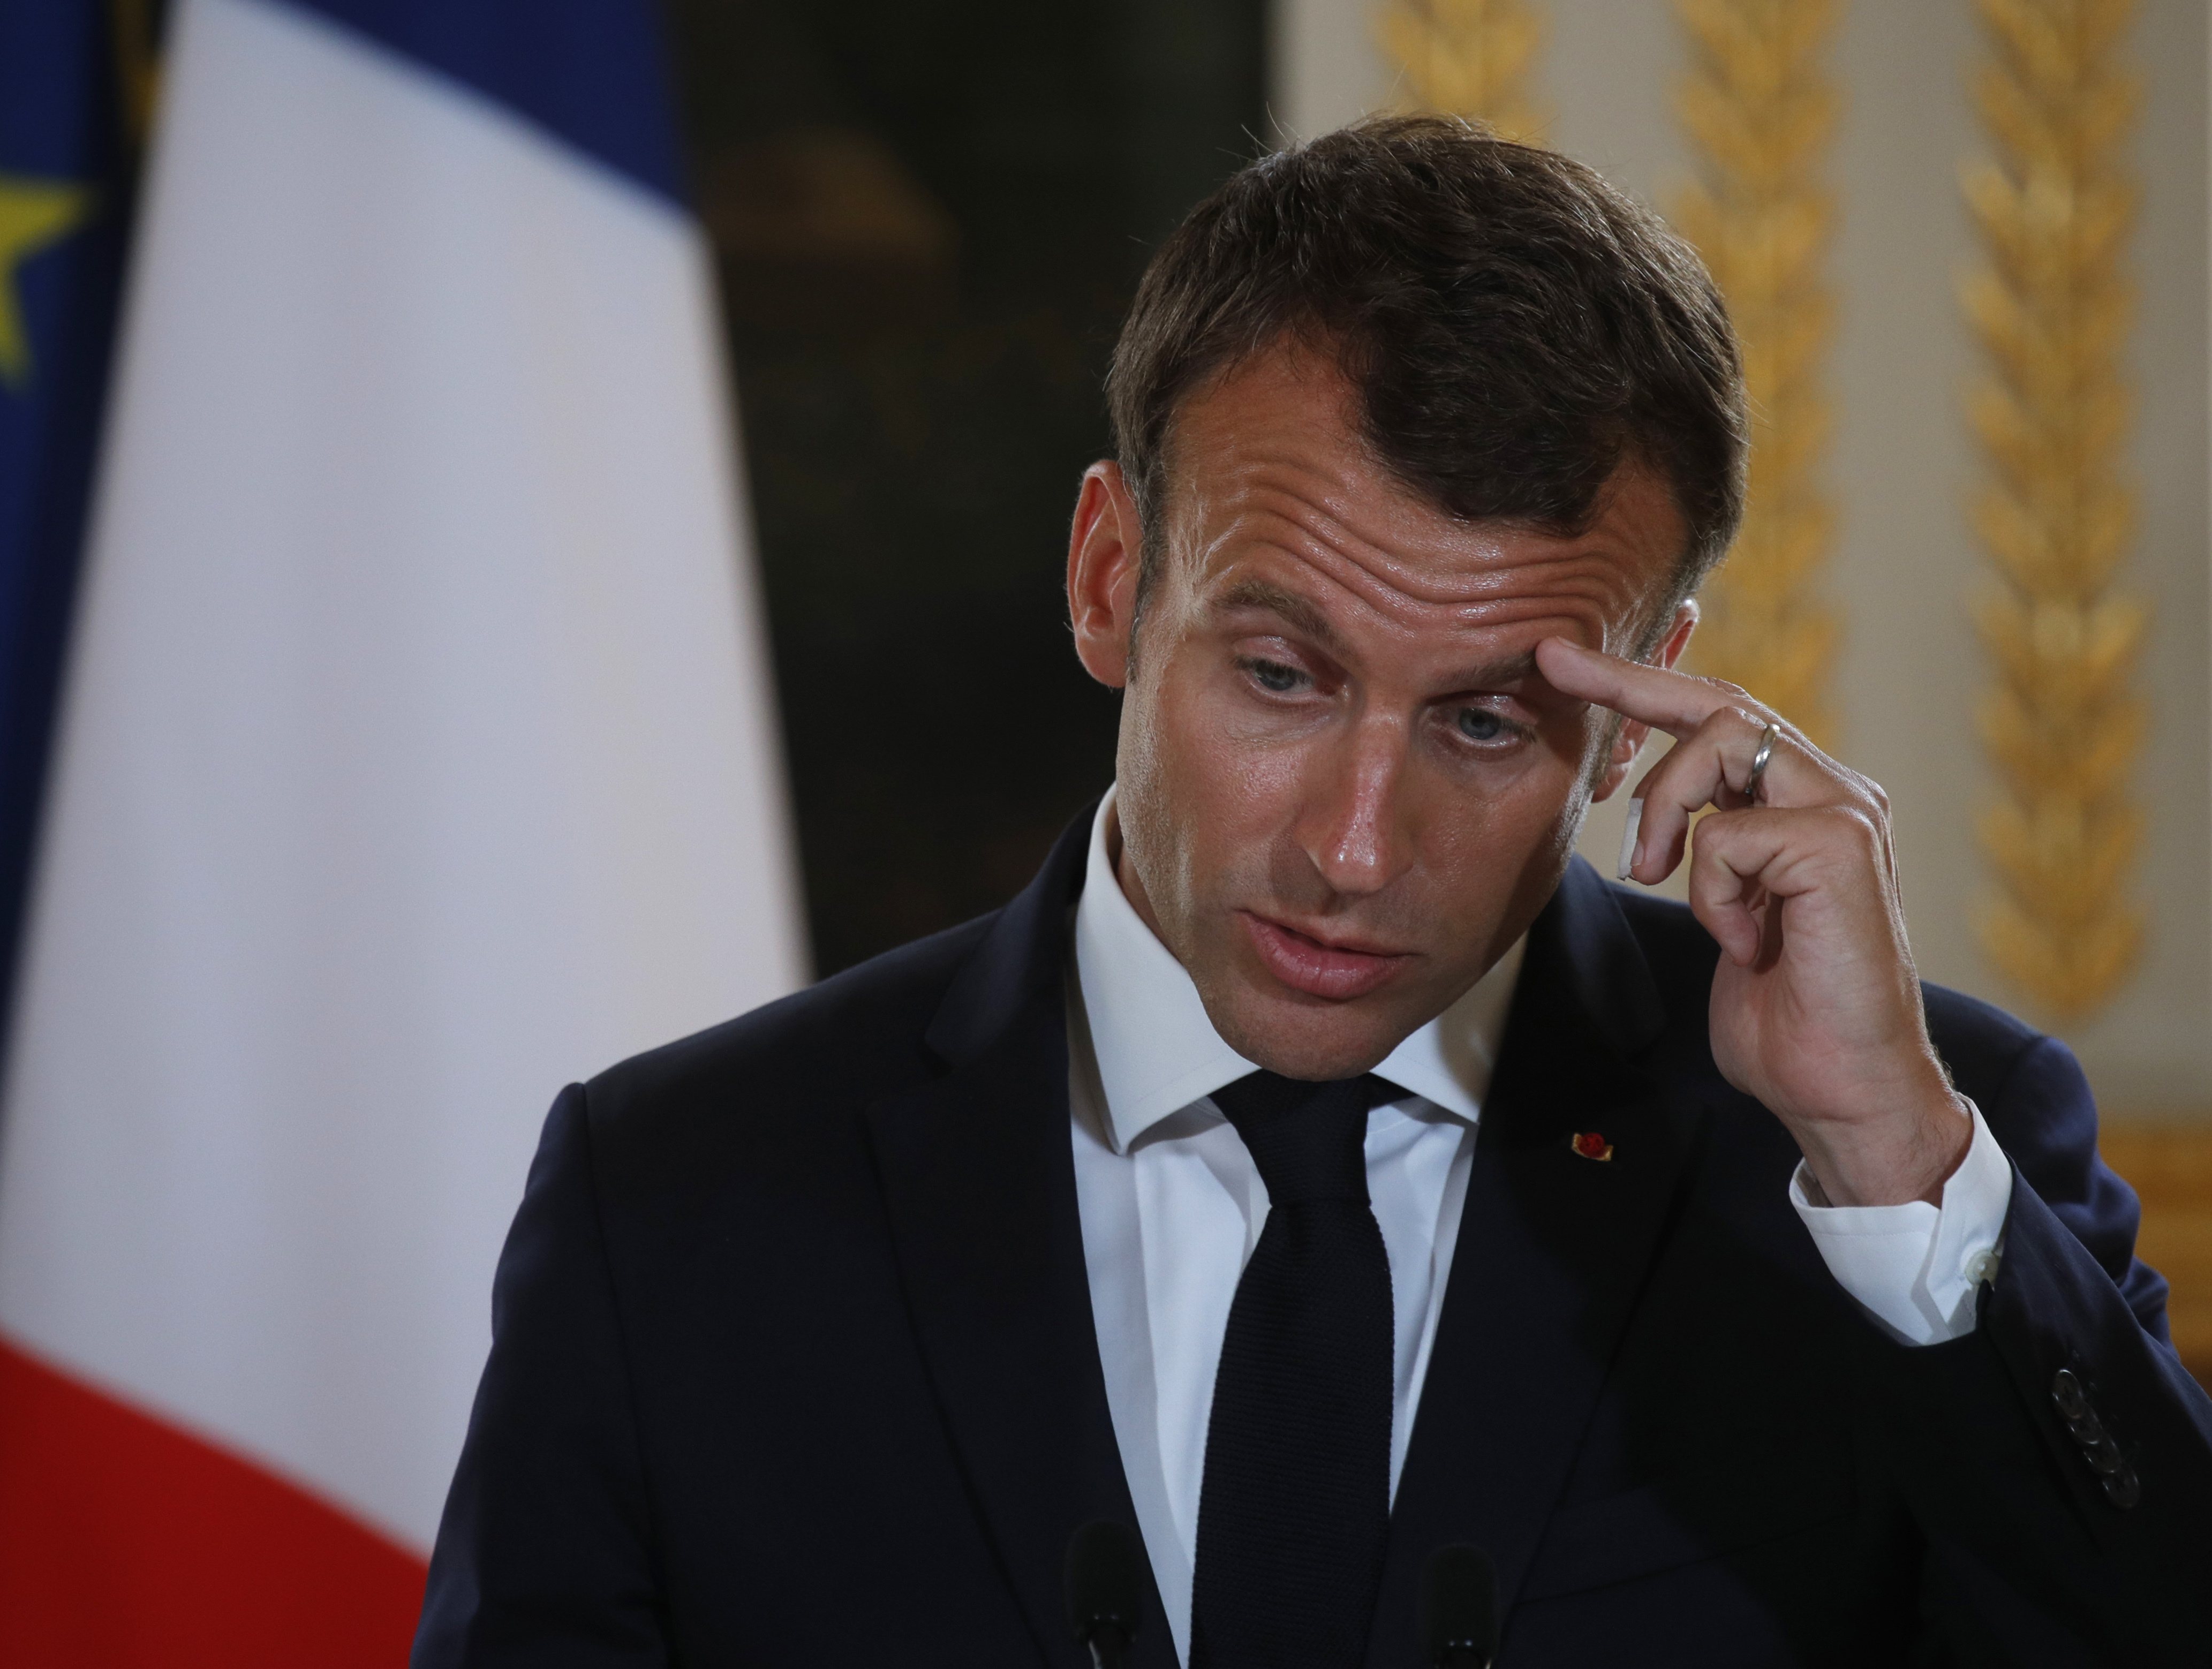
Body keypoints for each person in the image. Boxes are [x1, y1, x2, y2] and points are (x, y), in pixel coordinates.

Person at [411, 116, 2212, 1667]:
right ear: (1113, 578)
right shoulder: (677, 1205)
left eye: (1490, 720)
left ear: (1641, 698)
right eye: (1279, 677)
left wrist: (1888, 1164)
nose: (1357, 848)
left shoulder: (1897, 1166)